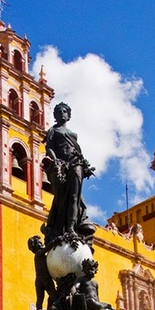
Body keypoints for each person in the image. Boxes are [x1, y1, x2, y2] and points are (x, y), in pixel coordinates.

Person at [41, 102, 95, 245]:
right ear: (55, 116)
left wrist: (86, 165)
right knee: (62, 198)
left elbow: (78, 151)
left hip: (76, 162)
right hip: (61, 164)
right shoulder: (53, 131)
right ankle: (59, 227)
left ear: (68, 115)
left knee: (74, 196)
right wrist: (56, 161)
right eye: (58, 112)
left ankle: (71, 228)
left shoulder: (73, 134)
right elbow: (49, 149)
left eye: (64, 111)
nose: (62, 114)